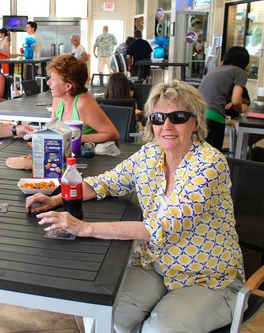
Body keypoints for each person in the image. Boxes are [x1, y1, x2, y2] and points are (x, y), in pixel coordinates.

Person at [27, 80, 244, 333]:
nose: (167, 126)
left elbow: (158, 228)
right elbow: (105, 183)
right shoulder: (149, 155)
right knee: (106, 315)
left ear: (195, 122)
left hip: (207, 277)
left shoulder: (209, 164)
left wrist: (84, 228)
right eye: (159, 117)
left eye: (179, 117)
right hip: (154, 263)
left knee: (159, 329)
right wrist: (57, 199)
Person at [48, 54, 119, 144]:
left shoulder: (83, 103)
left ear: (68, 86)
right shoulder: (58, 99)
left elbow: (112, 134)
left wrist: (73, 138)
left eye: (53, 79)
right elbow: (54, 131)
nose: (48, 82)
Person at [198, 46, 249, 151]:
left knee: (200, 154)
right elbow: (235, 101)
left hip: (197, 113)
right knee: (213, 156)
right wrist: (242, 109)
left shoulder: (216, 70)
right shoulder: (240, 72)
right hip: (213, 117)